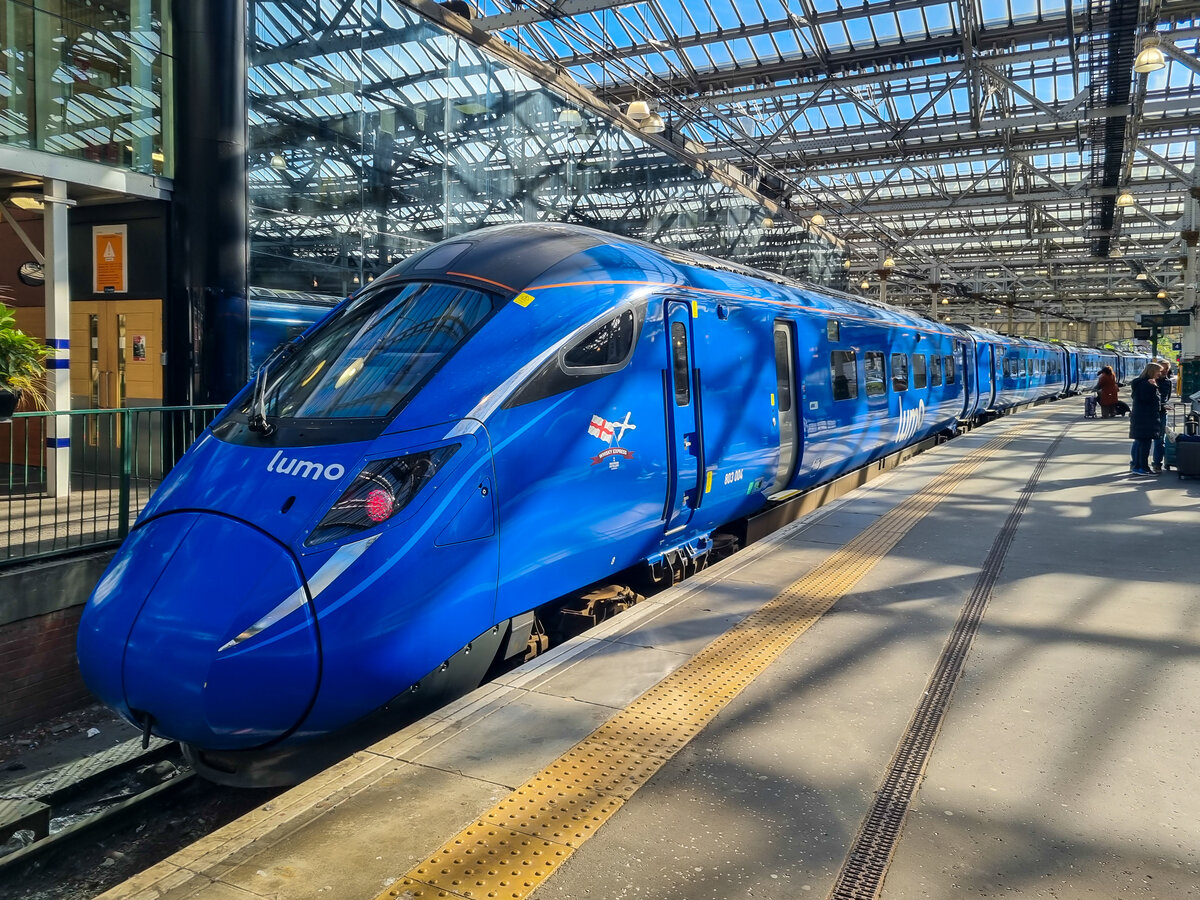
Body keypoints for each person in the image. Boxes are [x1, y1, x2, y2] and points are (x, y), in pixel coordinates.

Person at [1128, 362, 1163, 475]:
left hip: (1142, 418)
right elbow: (1146, 399)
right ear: (1152, 371)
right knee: (1145, 445)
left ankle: (1138, 466)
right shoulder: (1146, 384)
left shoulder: (1140, 383)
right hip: (1146, 419)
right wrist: (1153, 387)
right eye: (1158, 371)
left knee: (1141, 443)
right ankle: (1142, 467)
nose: (1159, 374)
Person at [1151, 359, 1175, 473]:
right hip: (1150, 412)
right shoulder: (1149, 381)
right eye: (1163, 368)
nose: (1165, 371)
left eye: (1167, 368)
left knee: (1160, 439)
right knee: (1142, 439)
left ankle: (1157, 464)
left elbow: (1166, 398)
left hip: (1162, 413)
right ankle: (1136, 463)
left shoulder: (1167, 382)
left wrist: (1164, 405)